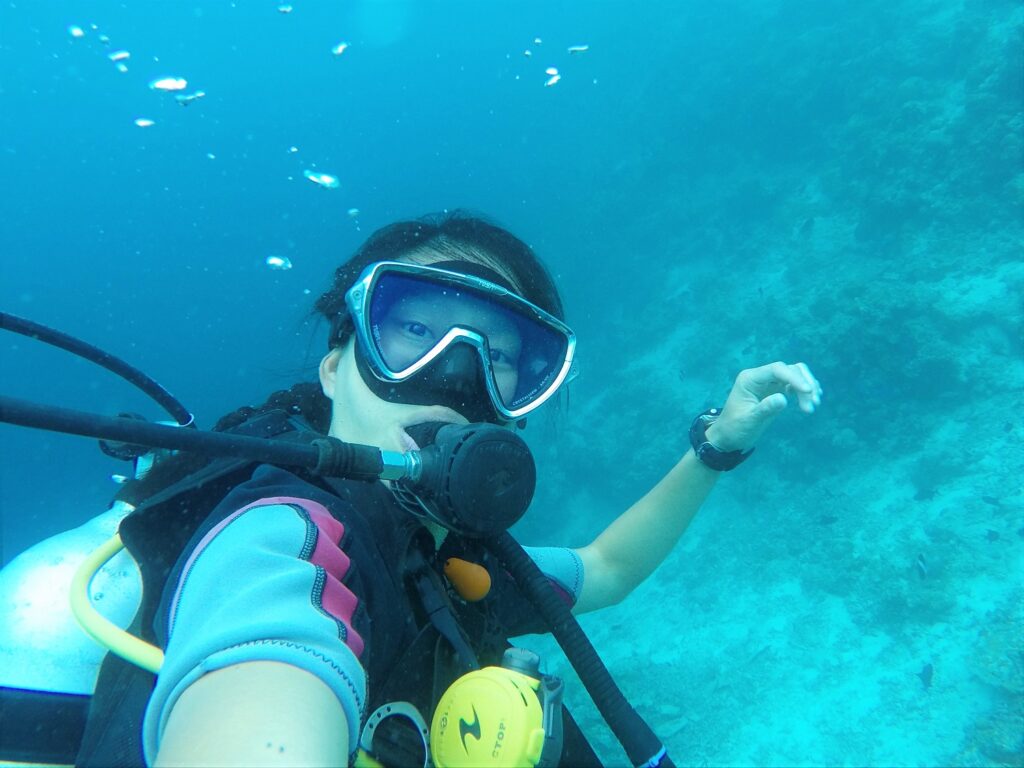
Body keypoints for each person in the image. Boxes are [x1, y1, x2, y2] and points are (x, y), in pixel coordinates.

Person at [0, 211, 821, 767]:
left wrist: (716, 447)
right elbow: (268, 665)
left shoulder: (450, 555)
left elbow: (606, 569)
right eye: (415, 333)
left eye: (501, 358)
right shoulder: (284, 535)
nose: (455, 378)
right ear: (333, 368)